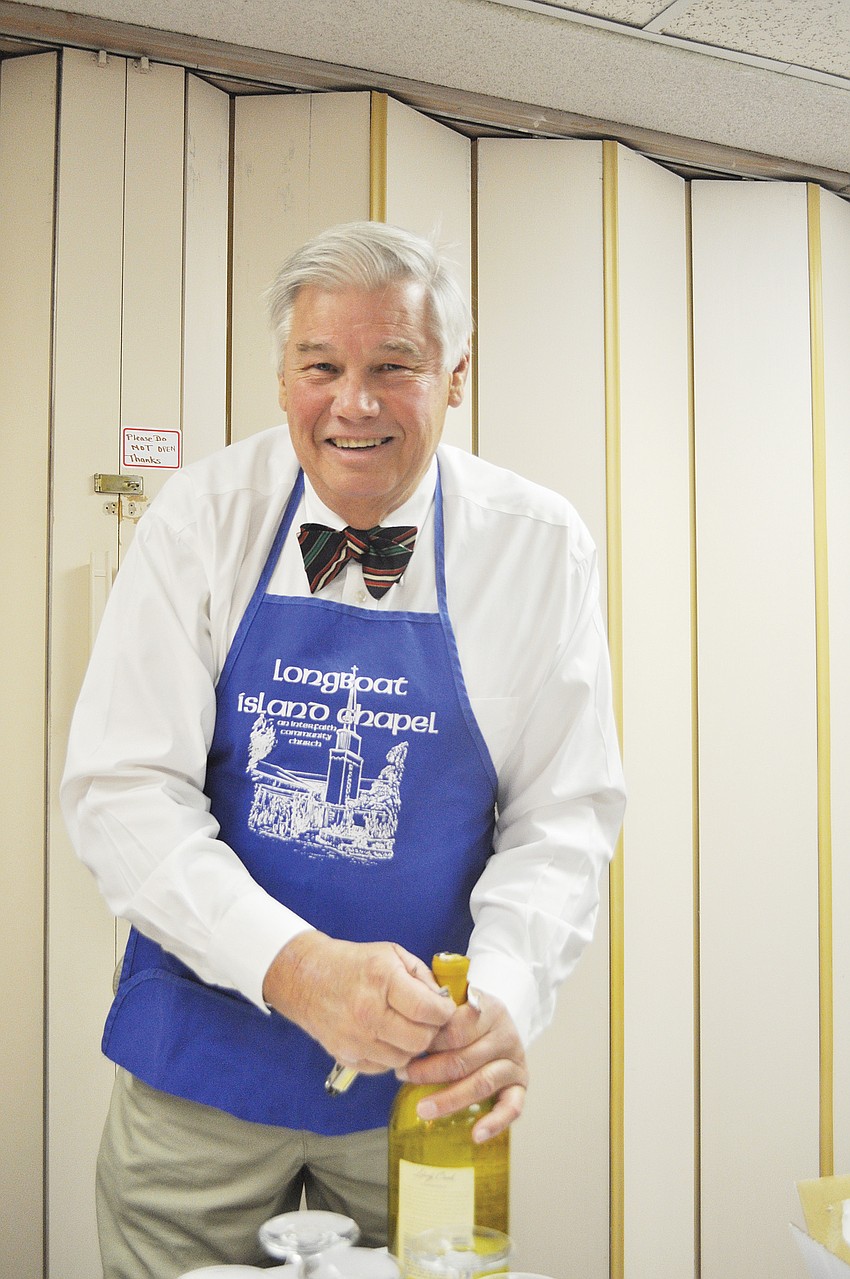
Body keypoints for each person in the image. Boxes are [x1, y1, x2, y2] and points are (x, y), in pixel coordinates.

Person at [61, 221, 625, 1278]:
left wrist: (503, 993)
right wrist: (295, 967)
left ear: (456, 377)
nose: (353, 403)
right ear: (283, 378)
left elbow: (562, 815)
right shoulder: (201, 519)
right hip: (200, 1070)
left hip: (425, 1084)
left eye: (393, 367)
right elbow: (123, 789)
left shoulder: (539, 547)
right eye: (321, 367)